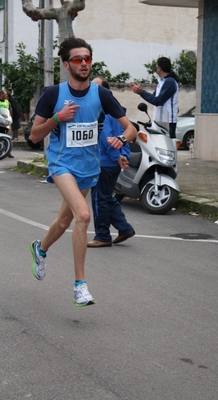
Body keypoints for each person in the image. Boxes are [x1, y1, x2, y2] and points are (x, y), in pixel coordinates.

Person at [29, 37, 137, 307]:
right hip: (61, 164)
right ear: (66, 64)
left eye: (88, 59)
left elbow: (131, 128)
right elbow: (32, 136)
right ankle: (80, 285)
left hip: (89, 169)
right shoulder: (53, 95)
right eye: (78, 59)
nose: (84, 64)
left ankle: (40, 249)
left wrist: (121, 140)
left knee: (65, 221)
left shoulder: (101, 94)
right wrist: (57, 118)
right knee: (84, 215)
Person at [87, 77, 135, 248]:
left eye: (95, 88)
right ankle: (124, 228)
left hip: (106, 161)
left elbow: (108, 139)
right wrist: (122, 156)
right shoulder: (115, 111)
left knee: (99, 199)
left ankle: (102, 235)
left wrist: (117, 157)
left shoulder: (103, 111)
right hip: (111, 161)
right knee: (106, 197)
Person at [129, 57, 179, 138]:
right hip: (160, 121)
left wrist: (141, 92)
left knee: (167, 147)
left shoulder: (170, 82)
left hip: (167, 122)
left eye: (157, 67)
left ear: (159, 68)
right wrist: (140, 91)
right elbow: (153, 97)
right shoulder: (162, 82)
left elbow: (158, 101)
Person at [0, 89, 14, 158]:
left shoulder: (7, 102)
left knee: (6, 135)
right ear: (1, 95)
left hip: (5, 120)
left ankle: (8, 152)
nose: (6, 95)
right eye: (5, 94)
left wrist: (9, 118)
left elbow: (10, 110)